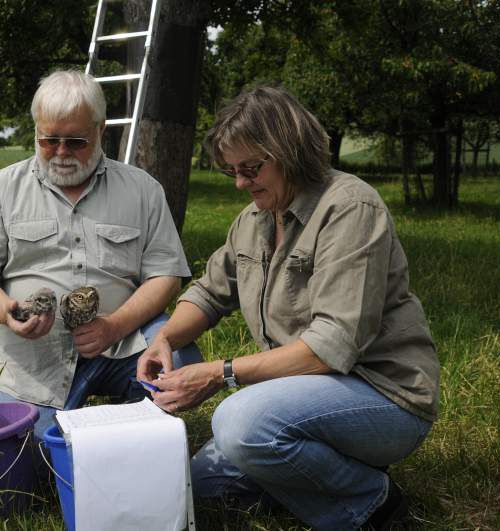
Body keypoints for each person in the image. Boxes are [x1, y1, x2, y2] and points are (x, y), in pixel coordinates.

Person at [137, 85, 440, 531]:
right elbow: (209, 292)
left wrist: (219, 374)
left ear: (290, 149)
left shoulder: (349, 208)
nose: (241, 183)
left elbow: (329, 348)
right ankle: (317, 465)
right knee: (200, 485)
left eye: (251, 168)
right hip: (301, 392)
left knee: (240, 424)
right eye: (231, 172)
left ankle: (370, 503)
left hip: (380, 394)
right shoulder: (254, 218)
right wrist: (165, 338)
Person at [0, 70, 201, 440]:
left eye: (75, 141)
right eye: (48, 140)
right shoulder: (1, 190)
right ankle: (85, 431)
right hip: (38, 360)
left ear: (100, 130)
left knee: (179, 364)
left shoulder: (142, 190)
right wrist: (7, 313)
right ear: (36, 130)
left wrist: (113, 327)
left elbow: (165, 275)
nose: (60, 152)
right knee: (27, 456)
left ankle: (134, 431)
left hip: (125, 344)